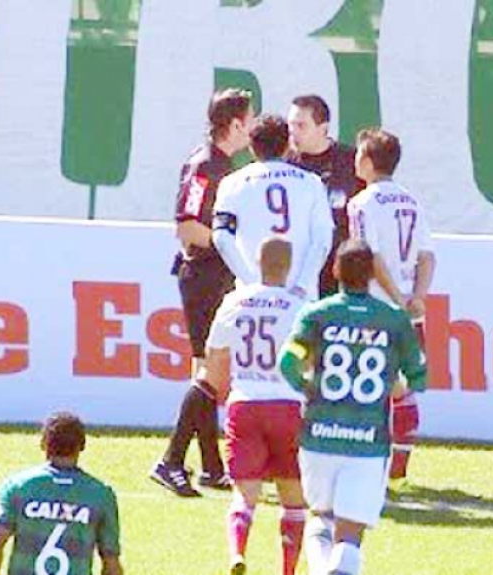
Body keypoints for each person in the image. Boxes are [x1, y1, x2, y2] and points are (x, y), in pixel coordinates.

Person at [279, 240, 428, 575]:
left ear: (334, 270)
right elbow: (419, 376)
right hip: (368, 443)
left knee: (321, 517)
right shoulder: (393, 320)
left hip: (319, 434)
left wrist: (308, 389)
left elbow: (288, 363)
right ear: (374, 274)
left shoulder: (316, 314)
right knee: (350, 534)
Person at [150, 88, 254, 497]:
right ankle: (172, 460)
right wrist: (231, 246)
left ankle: (211, 466)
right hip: (203, 275)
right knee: (208, 371)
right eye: (250, 117)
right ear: (235, 124)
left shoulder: (222, 163)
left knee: (210, 371)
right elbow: (188, 226)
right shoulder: (206, 165)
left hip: (215, 275)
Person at [204, 236, 308, 575]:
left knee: (244, 494)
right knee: (293, 495)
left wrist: (222, 392)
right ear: (289, 267)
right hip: (287, 405)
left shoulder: (235, 302)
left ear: (257, 264)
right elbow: (311, 360)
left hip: (246, 402)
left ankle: (237, 552)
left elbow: (216, 354)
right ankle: (288, 570)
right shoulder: (298, 305)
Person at [346, 128, 436, 481]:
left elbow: (369, 256)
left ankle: (370, 466)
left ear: (368, 161)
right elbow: (427, 256)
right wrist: (418, 297)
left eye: (358, 154)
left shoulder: (362, 203)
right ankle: (397, 466)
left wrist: (396, 299)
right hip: (409, 312)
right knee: (400, 388)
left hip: (378, 308)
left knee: (366, 386)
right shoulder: (411, 201)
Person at [0, 411, 123, 575]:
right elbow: (111, 563)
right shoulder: (100, 495)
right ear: (82, 446)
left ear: (44, 444)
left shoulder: (17, 487)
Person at [213, 114, 334, 300]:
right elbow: (322, 239)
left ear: (251, 147)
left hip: (251, 298)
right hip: (300, 297)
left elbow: (221, 237)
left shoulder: (232, 183)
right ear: (287, 146)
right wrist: (302, 285)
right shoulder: (312, 182)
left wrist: (251, 284)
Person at [286, 94, 365, 298]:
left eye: (301, 126)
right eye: (291, 125)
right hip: (296, 272)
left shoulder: (350, 161)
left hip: (339, 272)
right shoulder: (284, 165)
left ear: (323, 128)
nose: (293, 133)